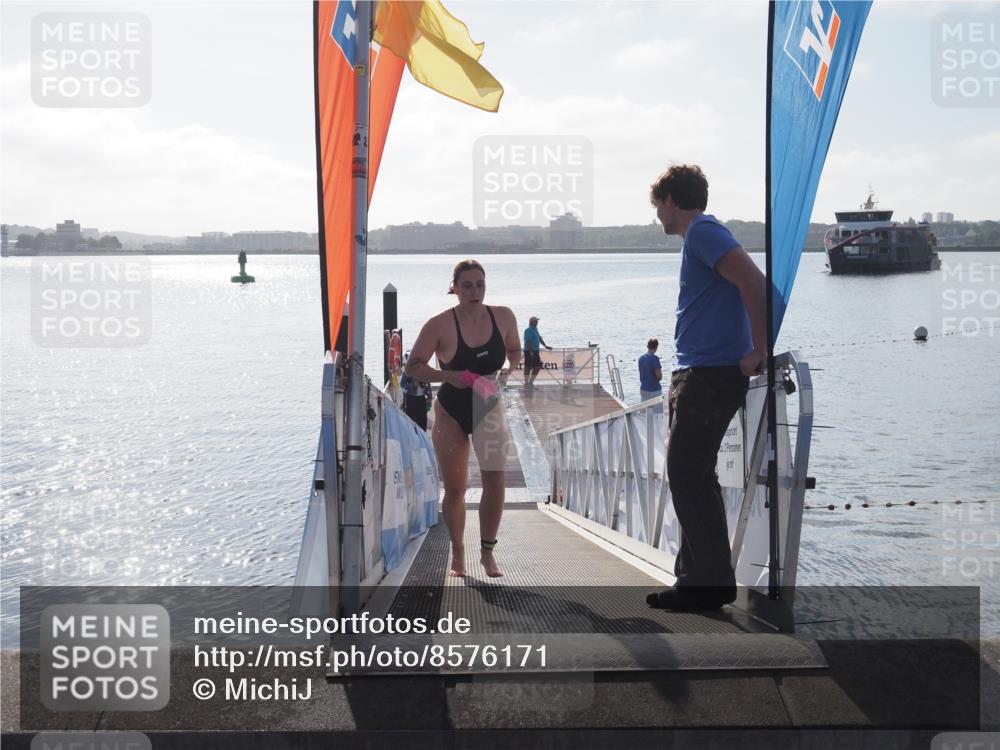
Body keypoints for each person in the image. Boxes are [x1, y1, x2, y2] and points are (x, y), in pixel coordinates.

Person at [646, 164, 766, 612]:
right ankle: (699, 580)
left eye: (657, 205)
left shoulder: (703, 231)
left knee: (687, 472)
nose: (657, 215)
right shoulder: (700, 236)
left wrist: (759, 348)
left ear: (670, 200)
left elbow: (753, 282)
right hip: (697, 371)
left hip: (711, 373)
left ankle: (706, 585)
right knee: (693, 475)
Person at [405, 260, 523, 578]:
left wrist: (508, 368)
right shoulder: (439, 324)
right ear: (455, 288)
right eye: (467, 285)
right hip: (451, 410)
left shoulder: (504, 316)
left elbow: (514, 350)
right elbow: (413, 366)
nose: (474, 291)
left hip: (488, 405)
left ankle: (487, 553)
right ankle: (458, 552)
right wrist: (448, 375)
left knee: (495, 480)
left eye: (480, 284)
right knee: (456, 490)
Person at [399, 351, 431, 430]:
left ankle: (422, 435)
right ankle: (412, 434)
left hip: (422, 397)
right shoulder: (408, 370)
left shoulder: (425, 369)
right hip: (411, 397)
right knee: (411, 419)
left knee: (422, 420)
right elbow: (402, 384)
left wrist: (429, 396)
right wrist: (412, 385)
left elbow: (428, 384)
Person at [522, 316, 553, 387]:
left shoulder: (535, 329)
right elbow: (528, 341)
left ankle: (530, 382)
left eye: (537, 321)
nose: (537, 323)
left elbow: (539, 338)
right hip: (529, 351)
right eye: (536, 321)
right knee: (528, 367)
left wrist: (545, 346)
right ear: (532, 322)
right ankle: (526, 383)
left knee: (537, 366)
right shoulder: (528, 330)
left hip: (536, 350)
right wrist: (531, 352)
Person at [638, 338, 663, 404]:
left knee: (645, 409)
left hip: (643, 388)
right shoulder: (655, 358)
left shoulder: (641, 358)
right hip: (654, 390)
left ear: (648, 346)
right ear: (656, 347)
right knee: (658, 410)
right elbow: (659, 377)